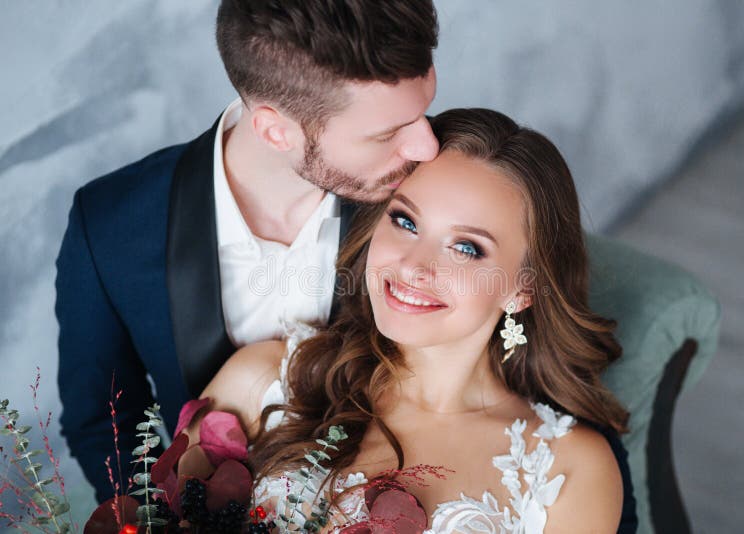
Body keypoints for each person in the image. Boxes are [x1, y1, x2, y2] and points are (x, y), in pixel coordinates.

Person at [55, 0, 439, 503]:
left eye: (423, 110)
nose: (427, 147)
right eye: (387, 134)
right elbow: (102, 422)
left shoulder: (438, 196)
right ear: (276, 131)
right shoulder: (109, 225)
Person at [196, 108, 638, 532]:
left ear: (522, 288)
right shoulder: (263, 382)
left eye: (466, 248)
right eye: (405, 220)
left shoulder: (568, 470)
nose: (413, 267)